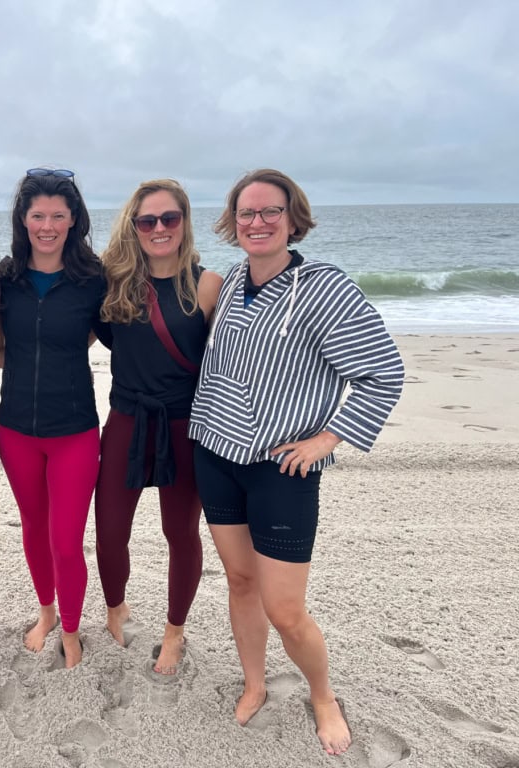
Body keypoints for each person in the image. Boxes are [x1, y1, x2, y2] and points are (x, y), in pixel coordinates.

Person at [189, 169, 404, 755]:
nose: (257, 222)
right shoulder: (232, 281)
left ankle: (323, 694)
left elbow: (383, 373)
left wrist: (327, 439)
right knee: (238, 581)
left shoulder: (324, 287)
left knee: (284, 607)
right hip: (215, 453)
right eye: (246, 213)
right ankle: (255, 683)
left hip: (281, 468)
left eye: (270, 211)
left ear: (292, 217)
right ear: (233, 222)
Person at [95, 179, 222, 675]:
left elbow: (233, 358)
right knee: (109, 531)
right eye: (147, 221)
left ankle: (174, 631)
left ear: (185, 222)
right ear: (134, 227)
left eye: (170, 218)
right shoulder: (115, 282)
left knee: (180, 532)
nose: (159, 229)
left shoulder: (208, 284)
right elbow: (107, 339)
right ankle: (115, 608)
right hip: (127, 419)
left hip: (184, 426)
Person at [0, 168, 105, 668]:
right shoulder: (5, 280)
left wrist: (57, 365)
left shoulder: (92, 280)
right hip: (15, 429)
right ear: (23, 219)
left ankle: (72, 630)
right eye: (38, 215)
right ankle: (47, 611)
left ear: (73, 220)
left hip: (75, 431)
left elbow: (95, 336)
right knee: (34, 526)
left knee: (66, 538)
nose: (48, 225)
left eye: (58, 215)